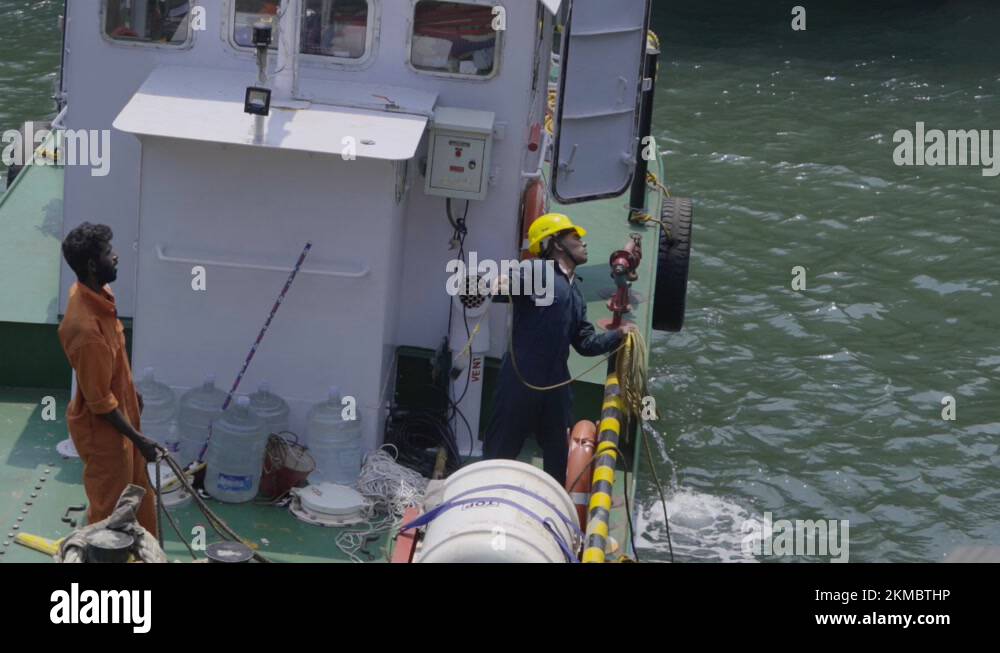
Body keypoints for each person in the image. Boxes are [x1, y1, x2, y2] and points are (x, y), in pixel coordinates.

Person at [483, 214, 635, 486]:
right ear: (556, 244)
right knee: (499, 454)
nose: (583, 242)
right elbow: (504, 286)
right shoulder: (537, 272)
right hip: (520, 384)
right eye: (575, 237)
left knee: (558, 459)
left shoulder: (575, 292)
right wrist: (499, 283)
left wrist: (618, 335)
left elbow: (585, 344)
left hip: (556, 387)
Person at [58, 223, 163, 537]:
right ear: (92, 265)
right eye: (108, 253)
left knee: (139, 495)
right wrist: (140, 439)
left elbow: (113, 366)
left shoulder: (97, 294)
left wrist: (133, 395)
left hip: (123, 417)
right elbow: (100, 402)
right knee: (112, 512)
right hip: (105, 434)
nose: (115, 257)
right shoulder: (87, 330)